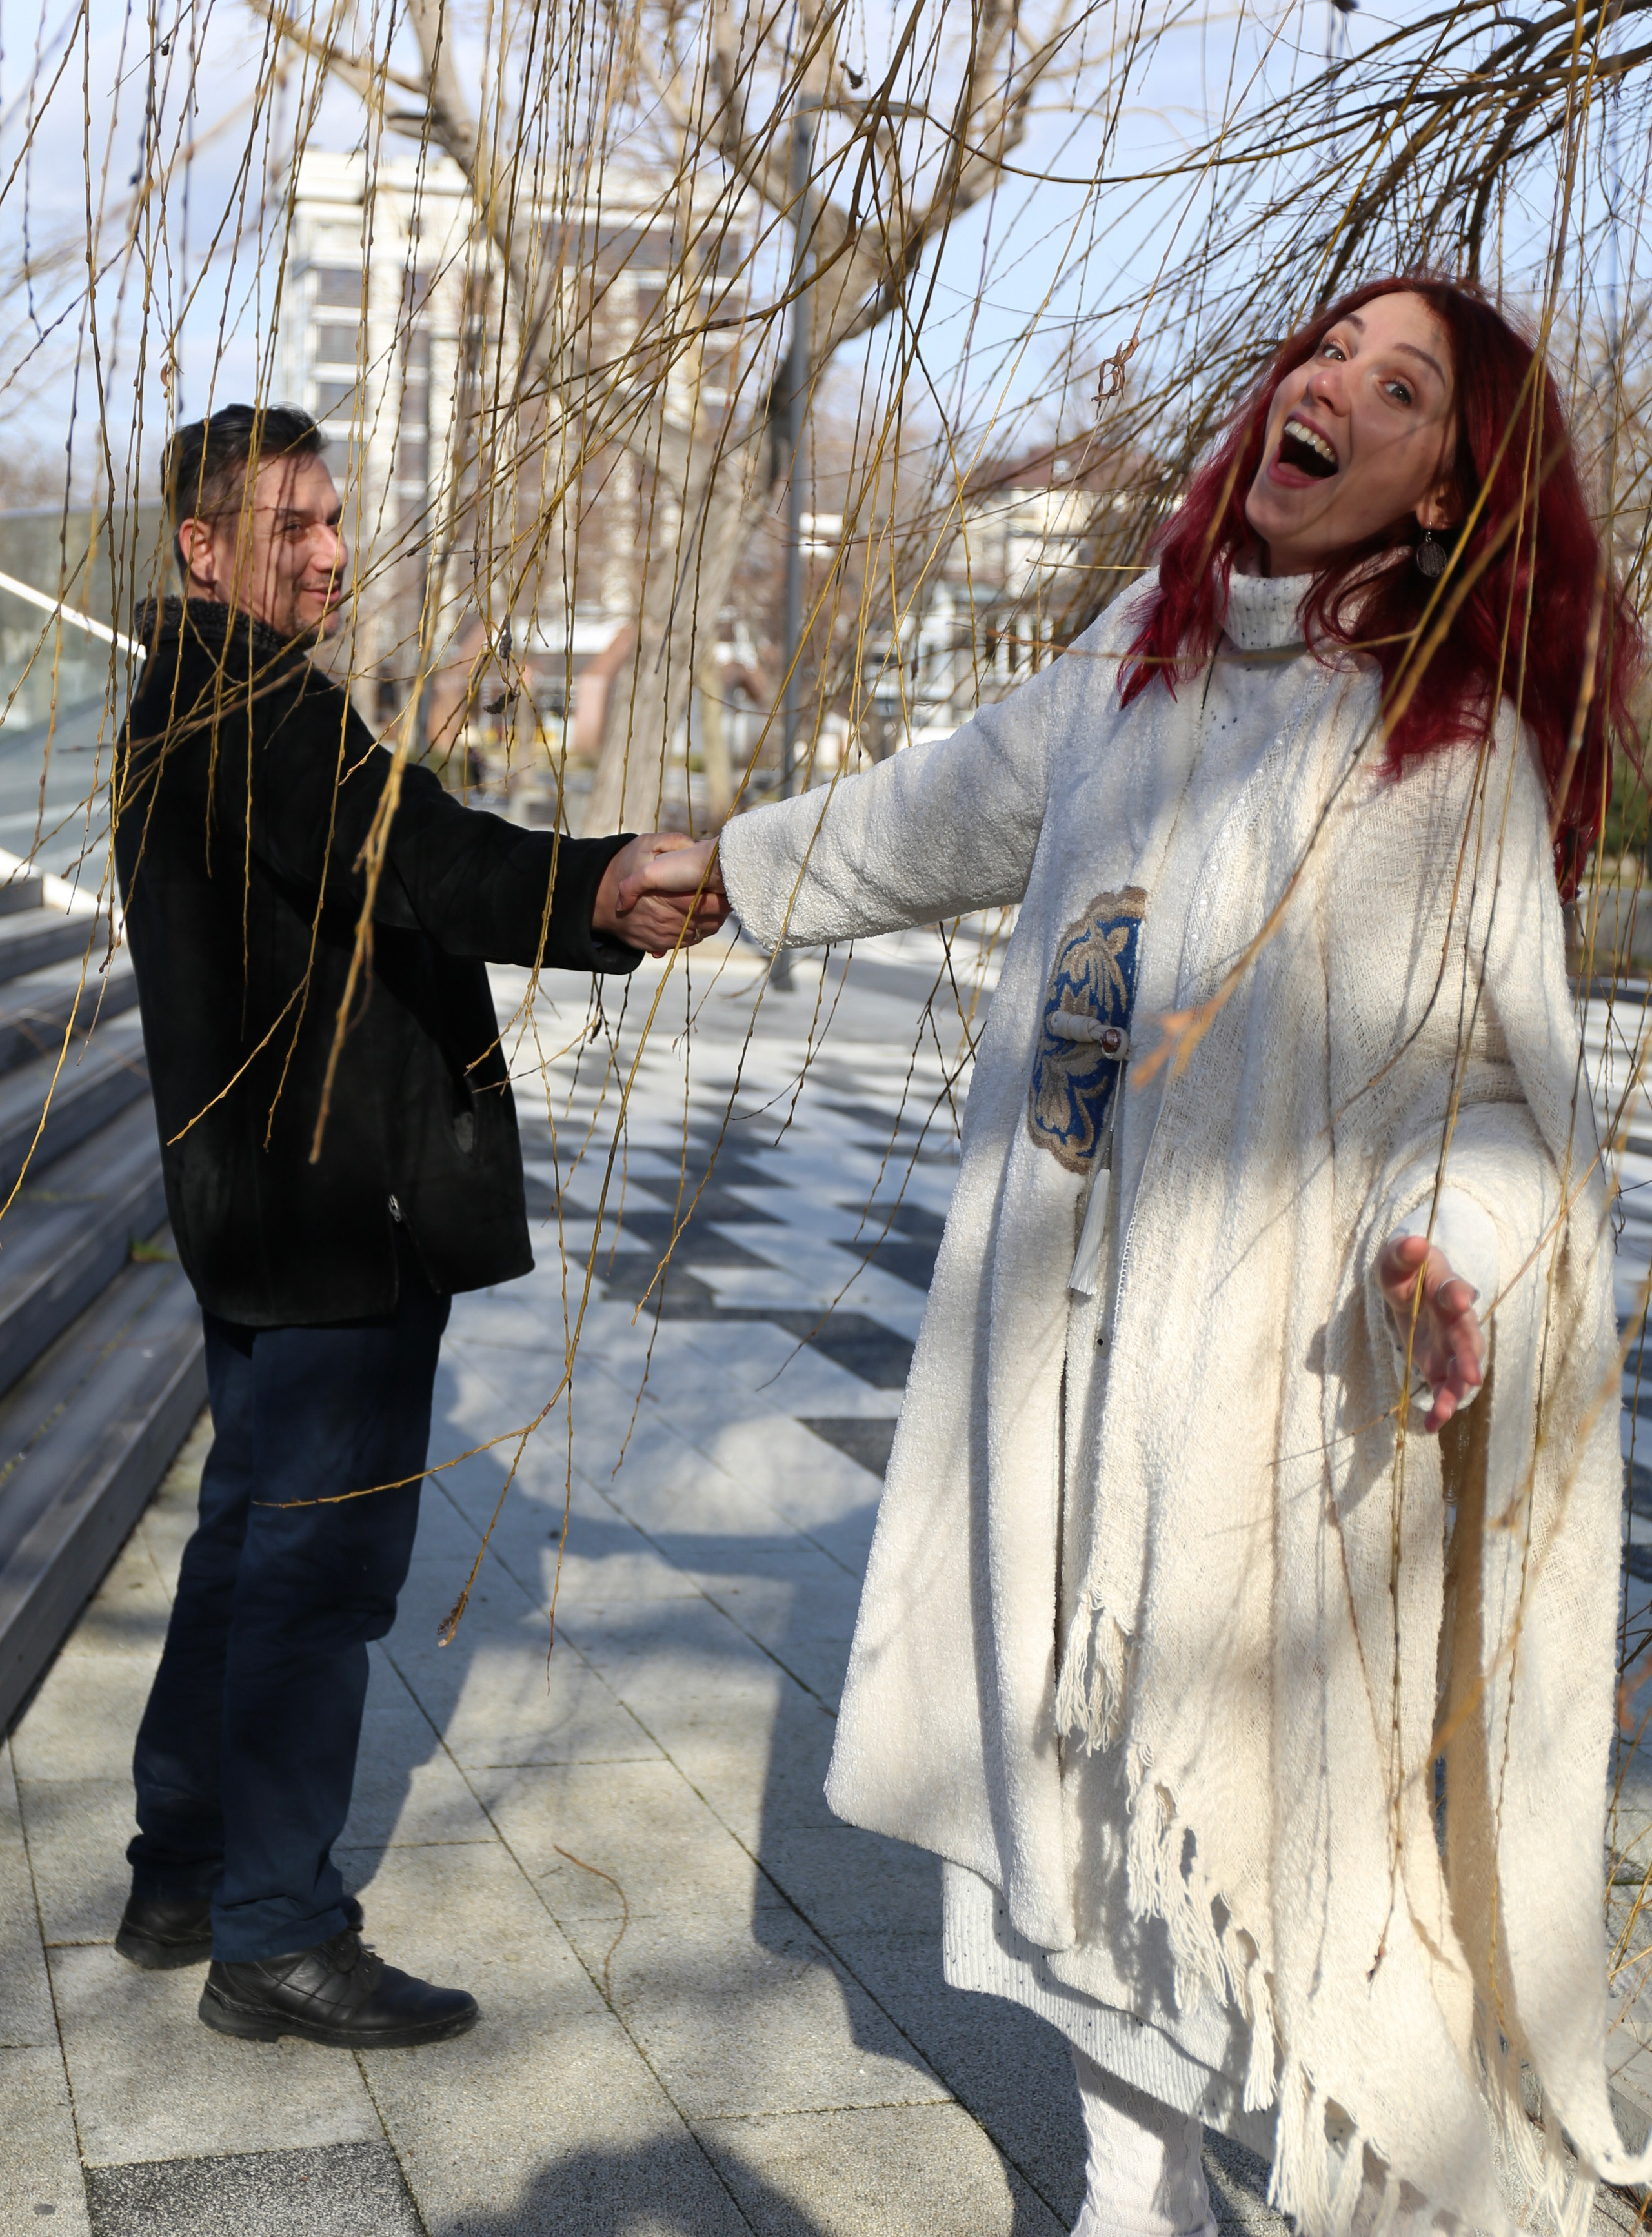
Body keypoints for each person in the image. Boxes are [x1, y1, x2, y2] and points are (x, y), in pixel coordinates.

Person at [620, 281, 1649, 2233]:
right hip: (1048, 1342)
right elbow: (940, 805)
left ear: (1447, 488)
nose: (1333, 384)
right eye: (1331, 352)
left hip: (1265, 1395)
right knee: (1056, 1796)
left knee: (1239, 1811)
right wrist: (735, 870)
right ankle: (1127, 2191)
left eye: (1403, 384)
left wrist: (1457, 1259)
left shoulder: (1442, 763)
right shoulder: (1136, 656)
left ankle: (1370, 2163)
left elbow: (1512, 1104)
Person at [112, 404, 725, 2049]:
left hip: (278, 1211)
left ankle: (183, 1867)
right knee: (311, 1574)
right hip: (327, 1214)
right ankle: (277, 1932)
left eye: (331, 519)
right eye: (290, 524)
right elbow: (419, 856)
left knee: (249, 1541)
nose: (325, 550)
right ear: (203, 545)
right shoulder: (239, 704)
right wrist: (598, 886)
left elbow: (379, 860)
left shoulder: (206, 697)